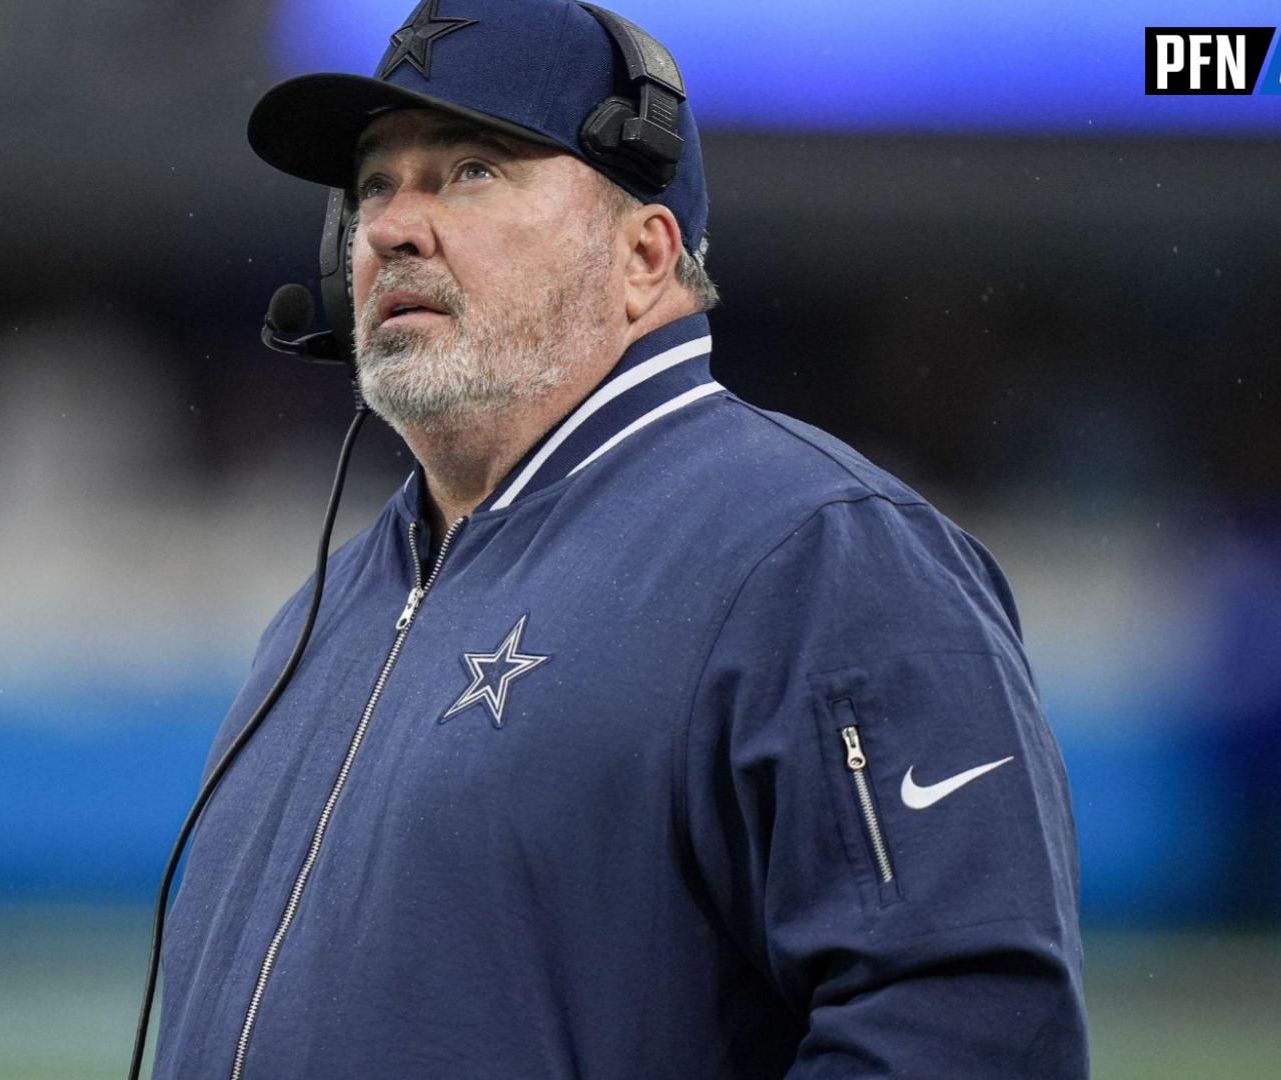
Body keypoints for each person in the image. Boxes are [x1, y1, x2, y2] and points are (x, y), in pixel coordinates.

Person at [154, 1, 1088, 1076]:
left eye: (470, 171)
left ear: (644, 255)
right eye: (373, 185)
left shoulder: (821, 557)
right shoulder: (324, 613)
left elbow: (966, 1034)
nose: (392, 228)